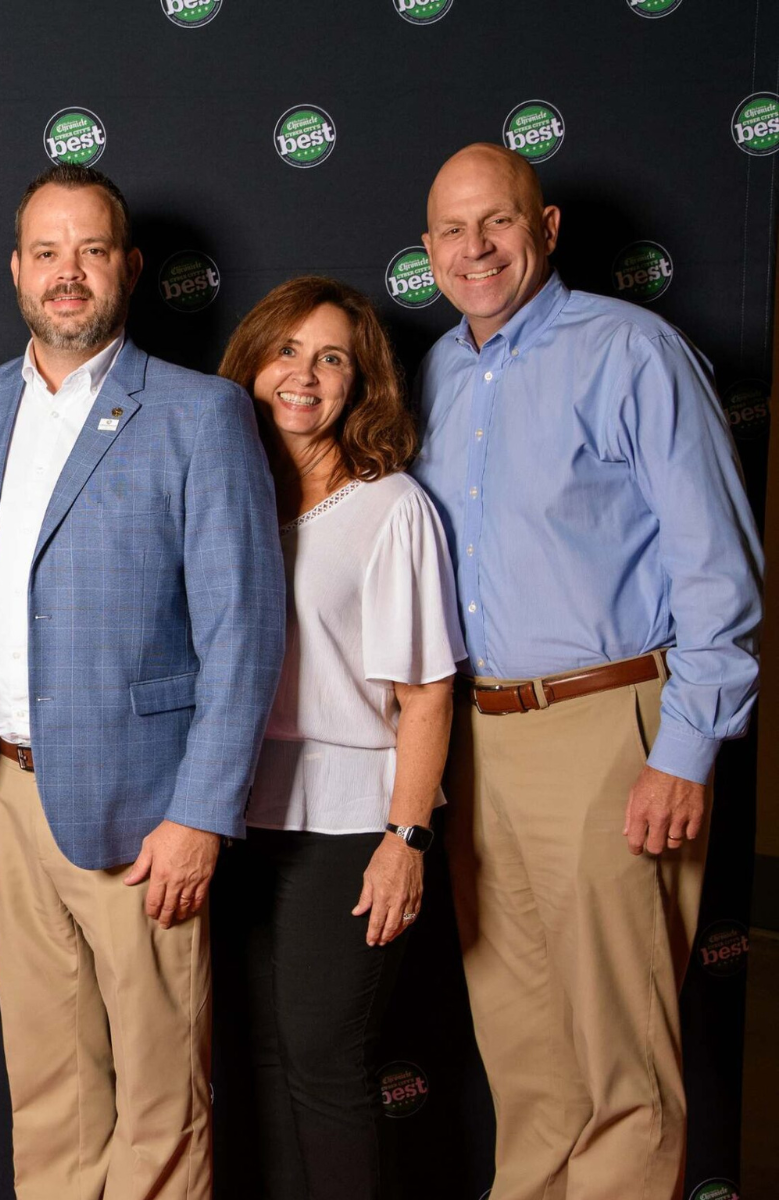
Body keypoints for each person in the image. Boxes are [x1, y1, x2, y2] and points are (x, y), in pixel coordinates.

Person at [0, 163, 286, 1200]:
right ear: (15, 272)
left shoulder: (199, 414)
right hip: (2, 794)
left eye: (90, 250)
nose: (67, 273)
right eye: (46, 252)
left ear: (129, 268)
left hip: (145, 807)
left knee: (162, 1093)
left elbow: (245, 628)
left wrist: (202, 815)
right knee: (48, 1082)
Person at [412, 144, 762, 1200]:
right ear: (427, 252)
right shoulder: (433, 370)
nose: (476, 249)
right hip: (479, 741)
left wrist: (685, 750)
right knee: (524, 1053)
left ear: (547, 227)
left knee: (621, 1060)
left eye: (499, 223)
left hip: (612, 729)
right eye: (453, 231)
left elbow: (719, 566)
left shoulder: (632, 351)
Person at [212, 277, 464, 1199]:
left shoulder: (390, 507)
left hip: (354, 822)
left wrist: (406, 840)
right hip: (240, 815)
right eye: (286, 351)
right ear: (251, 365)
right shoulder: (225, 497)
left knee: (323, 1062)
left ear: (361, 385)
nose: (304, 376)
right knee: (265, 1059)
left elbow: (428, 694)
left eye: (331, 359)